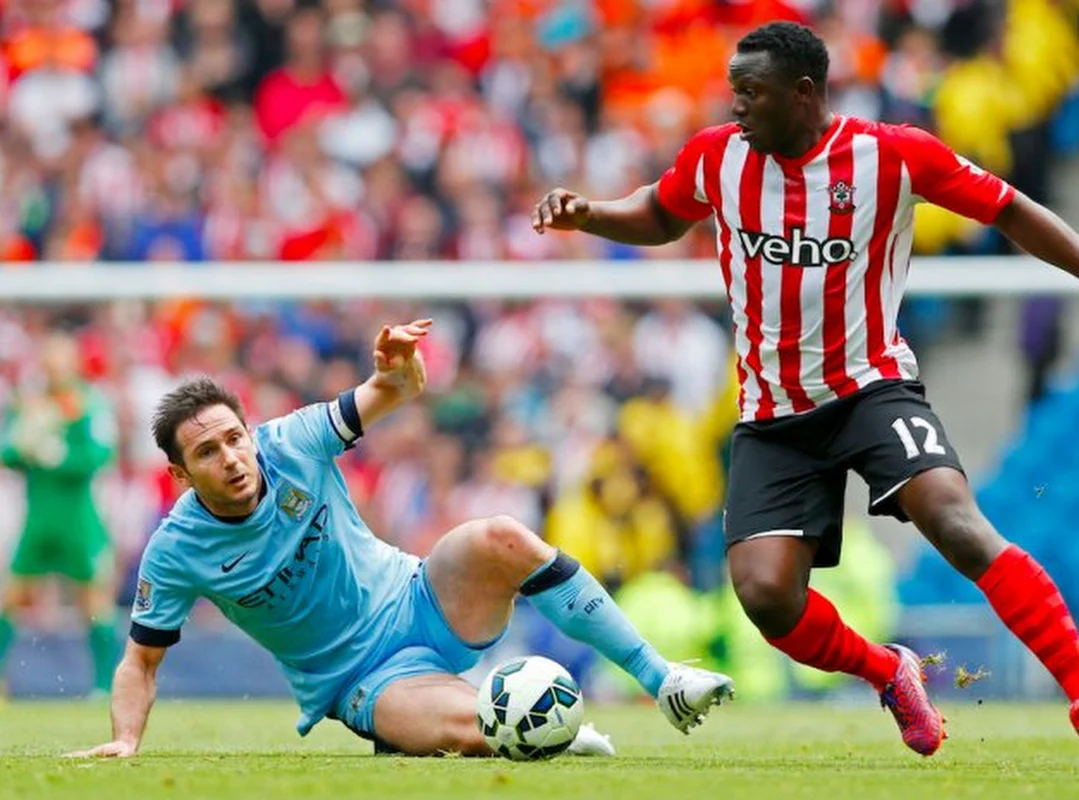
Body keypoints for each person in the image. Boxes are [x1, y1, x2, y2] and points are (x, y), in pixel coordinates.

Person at [531, 21, 1079, 765]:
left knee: (955, 521)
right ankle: (889, 670)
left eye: (751, 93)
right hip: (772, 413)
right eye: (734, 94)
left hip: (870, 387)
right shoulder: (716, 157)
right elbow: (659, 212)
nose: (737, 108)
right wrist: (591, 213)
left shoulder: (891, 155)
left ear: (804, 92)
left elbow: (1010, 208)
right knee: (765, 597)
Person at [68, 319, 733, 759]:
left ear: (251, 430)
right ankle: (558, 734)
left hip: (421, 597)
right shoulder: (176, 548)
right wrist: (127, 738)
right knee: (478, 731)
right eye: (208, 453)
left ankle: (663, 678)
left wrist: (396, 369)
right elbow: (141, 662)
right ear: (180, 475)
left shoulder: (295, 441)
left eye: (235, 438)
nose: (233, 459)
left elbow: (396, 390)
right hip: (361, 680)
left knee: (500, 536)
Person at [0, 332, 119, 698]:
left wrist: (58, 455)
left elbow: (99, 455)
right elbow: (8, 452)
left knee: (94, 602)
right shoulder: (30, 403)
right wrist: (24, 447)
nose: (52, 370)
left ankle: (105, 685)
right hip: (39, 516)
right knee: (13, 598)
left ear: (73, 364)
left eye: (59, 362)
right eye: (47, 362)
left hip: (78, 517)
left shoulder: (90, 403)